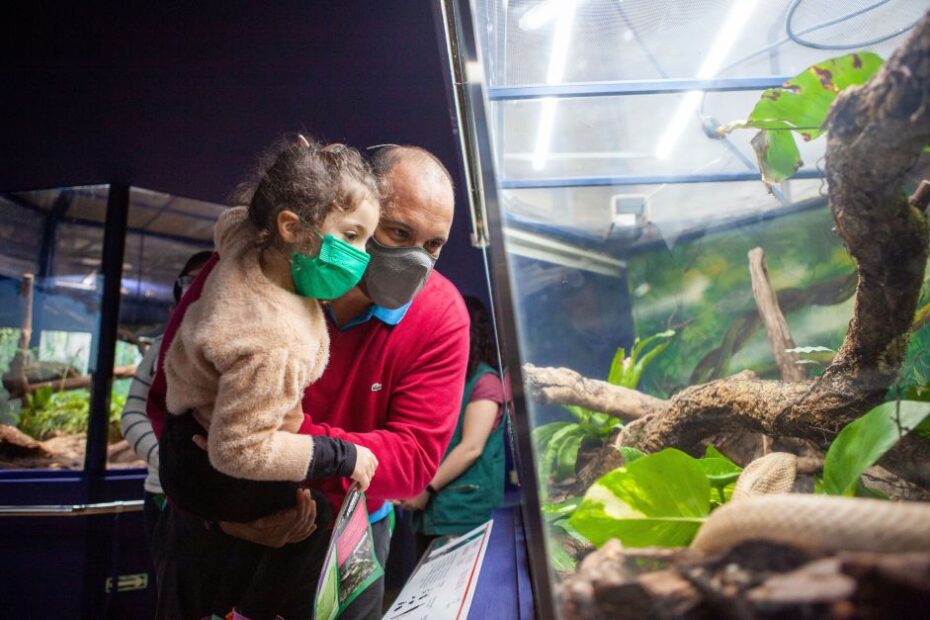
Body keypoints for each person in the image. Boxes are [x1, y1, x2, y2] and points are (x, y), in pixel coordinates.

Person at [148, 143, 469, 619]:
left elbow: (414, 461)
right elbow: (169, 398)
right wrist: (227, 511)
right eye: (398, 232)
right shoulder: (248, 271)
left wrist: (282, 449)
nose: (416, 260)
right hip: (217, 519)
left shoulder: (441, 316)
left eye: (433, 245)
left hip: (347, 538)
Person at [119, 249, 212, 551]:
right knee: (172, 588)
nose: (200, 288)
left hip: (225, 500)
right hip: (164, 493)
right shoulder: (160, 348)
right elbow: (133, 413)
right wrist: (168, 461)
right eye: (192, 281)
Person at [403, 295, 507, 557]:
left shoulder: (484, 381)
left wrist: (425, 488)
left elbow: (471, 447)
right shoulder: (447, 380)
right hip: (433, 514)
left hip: (462, 514)